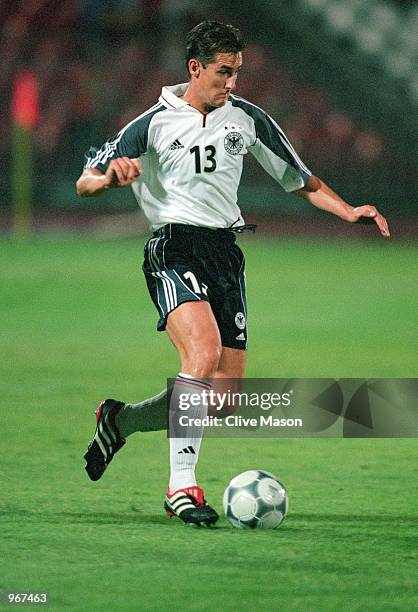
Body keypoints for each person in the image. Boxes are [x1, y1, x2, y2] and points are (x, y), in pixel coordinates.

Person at [76, 20, 390, 527]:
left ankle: (120, 420)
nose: (232, 83)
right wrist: (111, 176)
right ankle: (181, 487)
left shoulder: (247, 119)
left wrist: (348, 210)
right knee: (201, 355)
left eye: (238, 72)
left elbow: (301, 178)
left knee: (220, 398)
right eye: (224, 72)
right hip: (173, 247)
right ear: (195, 68)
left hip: (224, 253)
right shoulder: (153, 123)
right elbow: (84, 181)